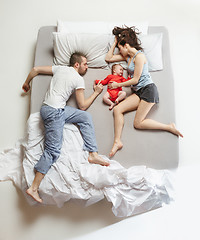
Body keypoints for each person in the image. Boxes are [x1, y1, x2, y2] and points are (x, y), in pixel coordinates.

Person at [22, 52, 110, 203]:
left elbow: (36, 69)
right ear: (77, 65)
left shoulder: (60, 69)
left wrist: (26, 83)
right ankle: (34, 187)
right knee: (53, 150)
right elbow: (82, 105)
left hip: (56, 109)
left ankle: (93, 154)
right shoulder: (78, 79)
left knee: (85, 118)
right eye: (85, 64)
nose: (87, 67)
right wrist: (96, 92)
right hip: (54, 113)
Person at [105, 26, 183, 157]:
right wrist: (114, 43)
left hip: (148, 90)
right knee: (117, 110)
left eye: (120, 47)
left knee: (138, 123)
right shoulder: (127, 57)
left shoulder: (139, 57)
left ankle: (169, 127)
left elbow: (135, 79)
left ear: (126, 45)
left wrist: (118, 84)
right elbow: (109, 58)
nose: (119, 50)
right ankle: (117, 141)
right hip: (139, 92)